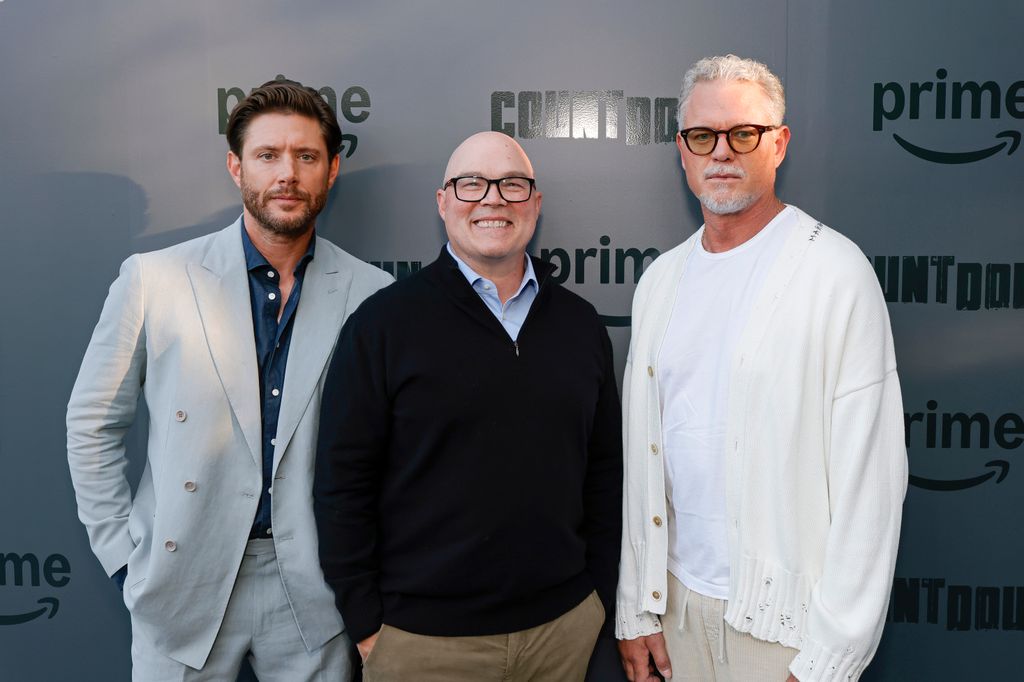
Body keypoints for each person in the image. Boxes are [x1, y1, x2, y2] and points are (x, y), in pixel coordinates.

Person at [66, 79, 393, 680]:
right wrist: (123, 558)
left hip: (314, 591)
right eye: (268, 155)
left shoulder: (374, 294)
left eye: (306, 156)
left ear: (332, 169)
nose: (287, 174)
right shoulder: (154, 279)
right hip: (180, 579)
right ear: (236, 166)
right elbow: (93, 422)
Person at [615, 55, 908, 682]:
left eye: (743, 133)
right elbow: (643, 461)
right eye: (703, 135)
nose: (722, 151)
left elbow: (871, 485)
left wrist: (828, 660)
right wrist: (636, 605)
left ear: (779, 144)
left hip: (787, 637)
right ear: (682, 151)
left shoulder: (836, 273)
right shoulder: (659, 281)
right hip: (674, 613)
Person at [314, 131, 623, 681]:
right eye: (471, 184)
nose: (493, 199)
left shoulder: (580, 325)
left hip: (563, 634)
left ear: (535, 203)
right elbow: (343, 482)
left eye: (512, 185)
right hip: (423, 644)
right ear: (443, 202)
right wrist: (366, 623)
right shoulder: (383, 325)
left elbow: (603, 474)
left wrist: (596, 602)